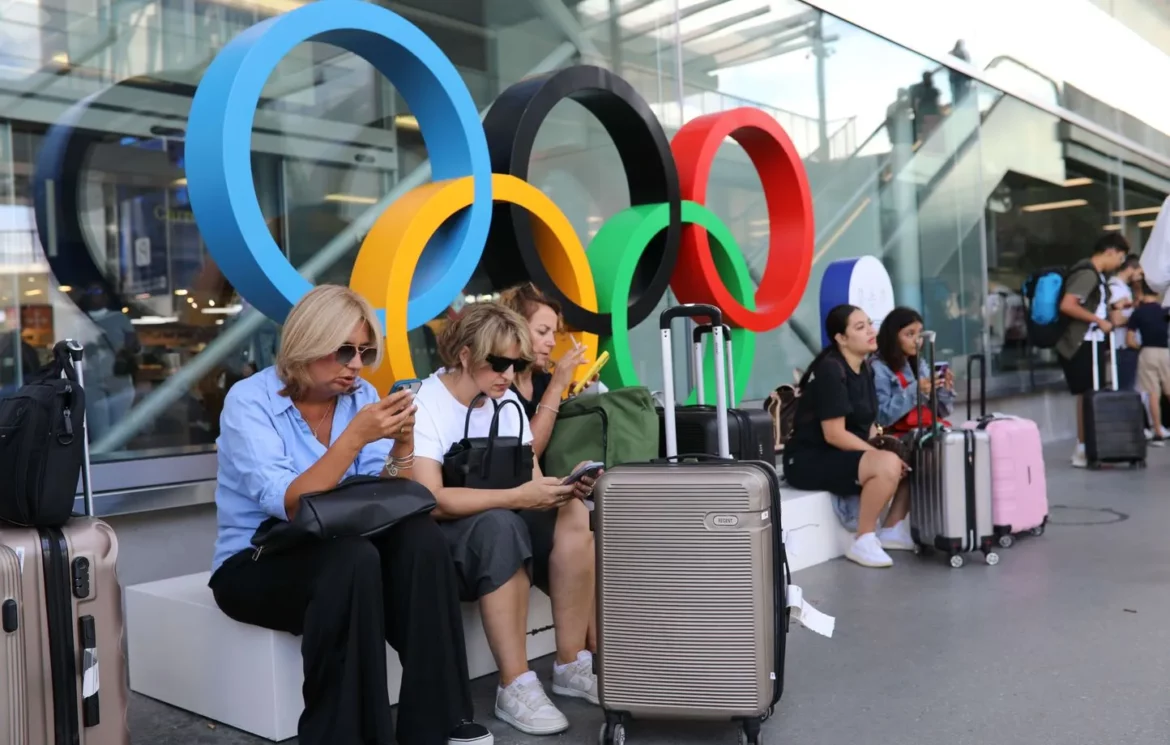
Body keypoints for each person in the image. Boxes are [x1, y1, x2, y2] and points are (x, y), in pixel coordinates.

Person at [208, 285, 492, 745]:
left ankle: (439, 722)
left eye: (364, 351)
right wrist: (353, 439)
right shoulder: (249, 401)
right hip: (259, 557)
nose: (357, 366)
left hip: (339, 542)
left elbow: (385, 491)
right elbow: (290, 503)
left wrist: (402, 443)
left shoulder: (361, 396)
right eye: (344, 351)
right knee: (352, 560)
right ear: (308, 343)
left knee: (420, 538)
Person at [410, 302, 600, 737]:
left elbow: (530, 479)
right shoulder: (428, 402)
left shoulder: (505, 399)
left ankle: (571, 662)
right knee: (502, 525)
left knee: (573, 511)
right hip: (447, 534)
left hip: (501, 514)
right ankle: (514, 683)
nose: (508, 374)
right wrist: (517, 496)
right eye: (498, 363)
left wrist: (564, 487)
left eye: (516, 364)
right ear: (464, 356)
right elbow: (429, 498)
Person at [780, 304, 911, 569]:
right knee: (887, 463)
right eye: (860, 327)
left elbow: (868, 424)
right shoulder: (831, 370)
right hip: (809, 460)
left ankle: (891, 530)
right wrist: (878, 456)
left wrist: (887, 449)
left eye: (870, 325)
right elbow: (834, 434)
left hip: (841, 454)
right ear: (841, 338)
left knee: (912, 453)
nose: (871, 332)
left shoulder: (866, 369)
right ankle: (863, 539)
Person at [1055, 234, 1130, 467]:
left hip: (1091, 342)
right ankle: (1083, 448)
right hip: (1081, 343)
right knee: (1087, 395)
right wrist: (1099, 320)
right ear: (1109, 251)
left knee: (1090, 394)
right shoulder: (1086, 274)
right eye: (1120, 257)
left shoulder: (1097, 277)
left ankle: (1090, 446)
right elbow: (1067, 305)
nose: (1120, 263)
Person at [498, 283, 588, 457]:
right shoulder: (497, 385)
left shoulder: (543, 380)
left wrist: (573, 400)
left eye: (553, 333)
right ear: (515, 330)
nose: (552, 342)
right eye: (542, 331)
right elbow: (525, 457)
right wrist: (555, 388)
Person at [870, 306, 955, 430]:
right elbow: (882, 417)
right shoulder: (879, 368)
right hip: (896, 439)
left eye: (920, 334)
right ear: (893, 337)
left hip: (921, 434)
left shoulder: (918, 363)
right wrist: (915, 391)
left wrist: (944, 390)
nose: (917, 340)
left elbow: (940, 413)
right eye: (910, 334)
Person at [1127, 281, 1170, 445]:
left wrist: (1140, 347)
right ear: (1157, 295)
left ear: (1142, 295)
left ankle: (1158, 431)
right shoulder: (1165, 312)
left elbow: (1129, 340)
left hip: (1148, 352)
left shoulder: (1138, 313)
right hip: (1166, 352)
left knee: (1153, 393)